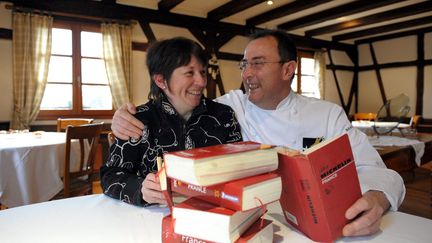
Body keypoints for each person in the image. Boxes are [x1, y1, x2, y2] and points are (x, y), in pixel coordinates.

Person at [110, 30, 405, 237]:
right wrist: (123, 118)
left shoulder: (326, 115)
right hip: (249, 223)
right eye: (244, 64)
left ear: (288, 69)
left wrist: (378, 198)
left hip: (313, 226)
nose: (247, 73)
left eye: (258, 63)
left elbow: (373, 168)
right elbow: (176, 106)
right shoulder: (228, 108)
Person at [100, 37, 242, 207]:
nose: (202, 81)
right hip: (155, 218)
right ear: (160, 80)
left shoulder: (223, 116)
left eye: (203, 72)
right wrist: (141, 189)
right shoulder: (138, 120)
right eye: (190, 73)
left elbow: (239, 169)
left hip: (214, 212)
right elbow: (110, 176)